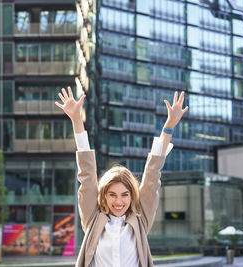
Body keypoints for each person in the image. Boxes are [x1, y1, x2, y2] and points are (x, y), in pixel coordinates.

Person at [55, 87, 188, 267]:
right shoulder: (93, 219)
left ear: (132, 196)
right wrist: (77, 120)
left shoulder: (140, 219)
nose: (119, 201)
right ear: (104, 196)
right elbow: (86, 174)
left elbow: (151, 176)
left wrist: (169, 126)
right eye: (112, 195)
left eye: (125, 194)